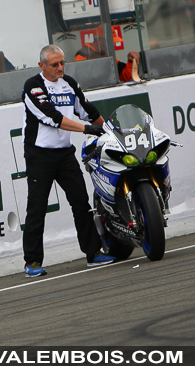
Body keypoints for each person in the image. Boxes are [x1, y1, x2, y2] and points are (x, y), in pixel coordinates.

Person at [21, 44, 115, 278]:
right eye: (55, 64)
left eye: (63, 63)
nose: (60, 67)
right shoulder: (32, 86)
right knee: (37, 208)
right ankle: (32, 262)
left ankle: (93, 253)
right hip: (39, 155)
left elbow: (88, 110)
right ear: (42, 65)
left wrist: (110, 131)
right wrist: (88, 129)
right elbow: (53, 118)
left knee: (81, 203)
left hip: (64, 153)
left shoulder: (69, 83)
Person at [74, 25, 140, 83]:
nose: (113, 45)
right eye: (111, 42)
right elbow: (83, 82)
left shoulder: (107, 54)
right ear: (100, 40)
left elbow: (125, 78)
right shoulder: (82, 55)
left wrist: (131, 62)